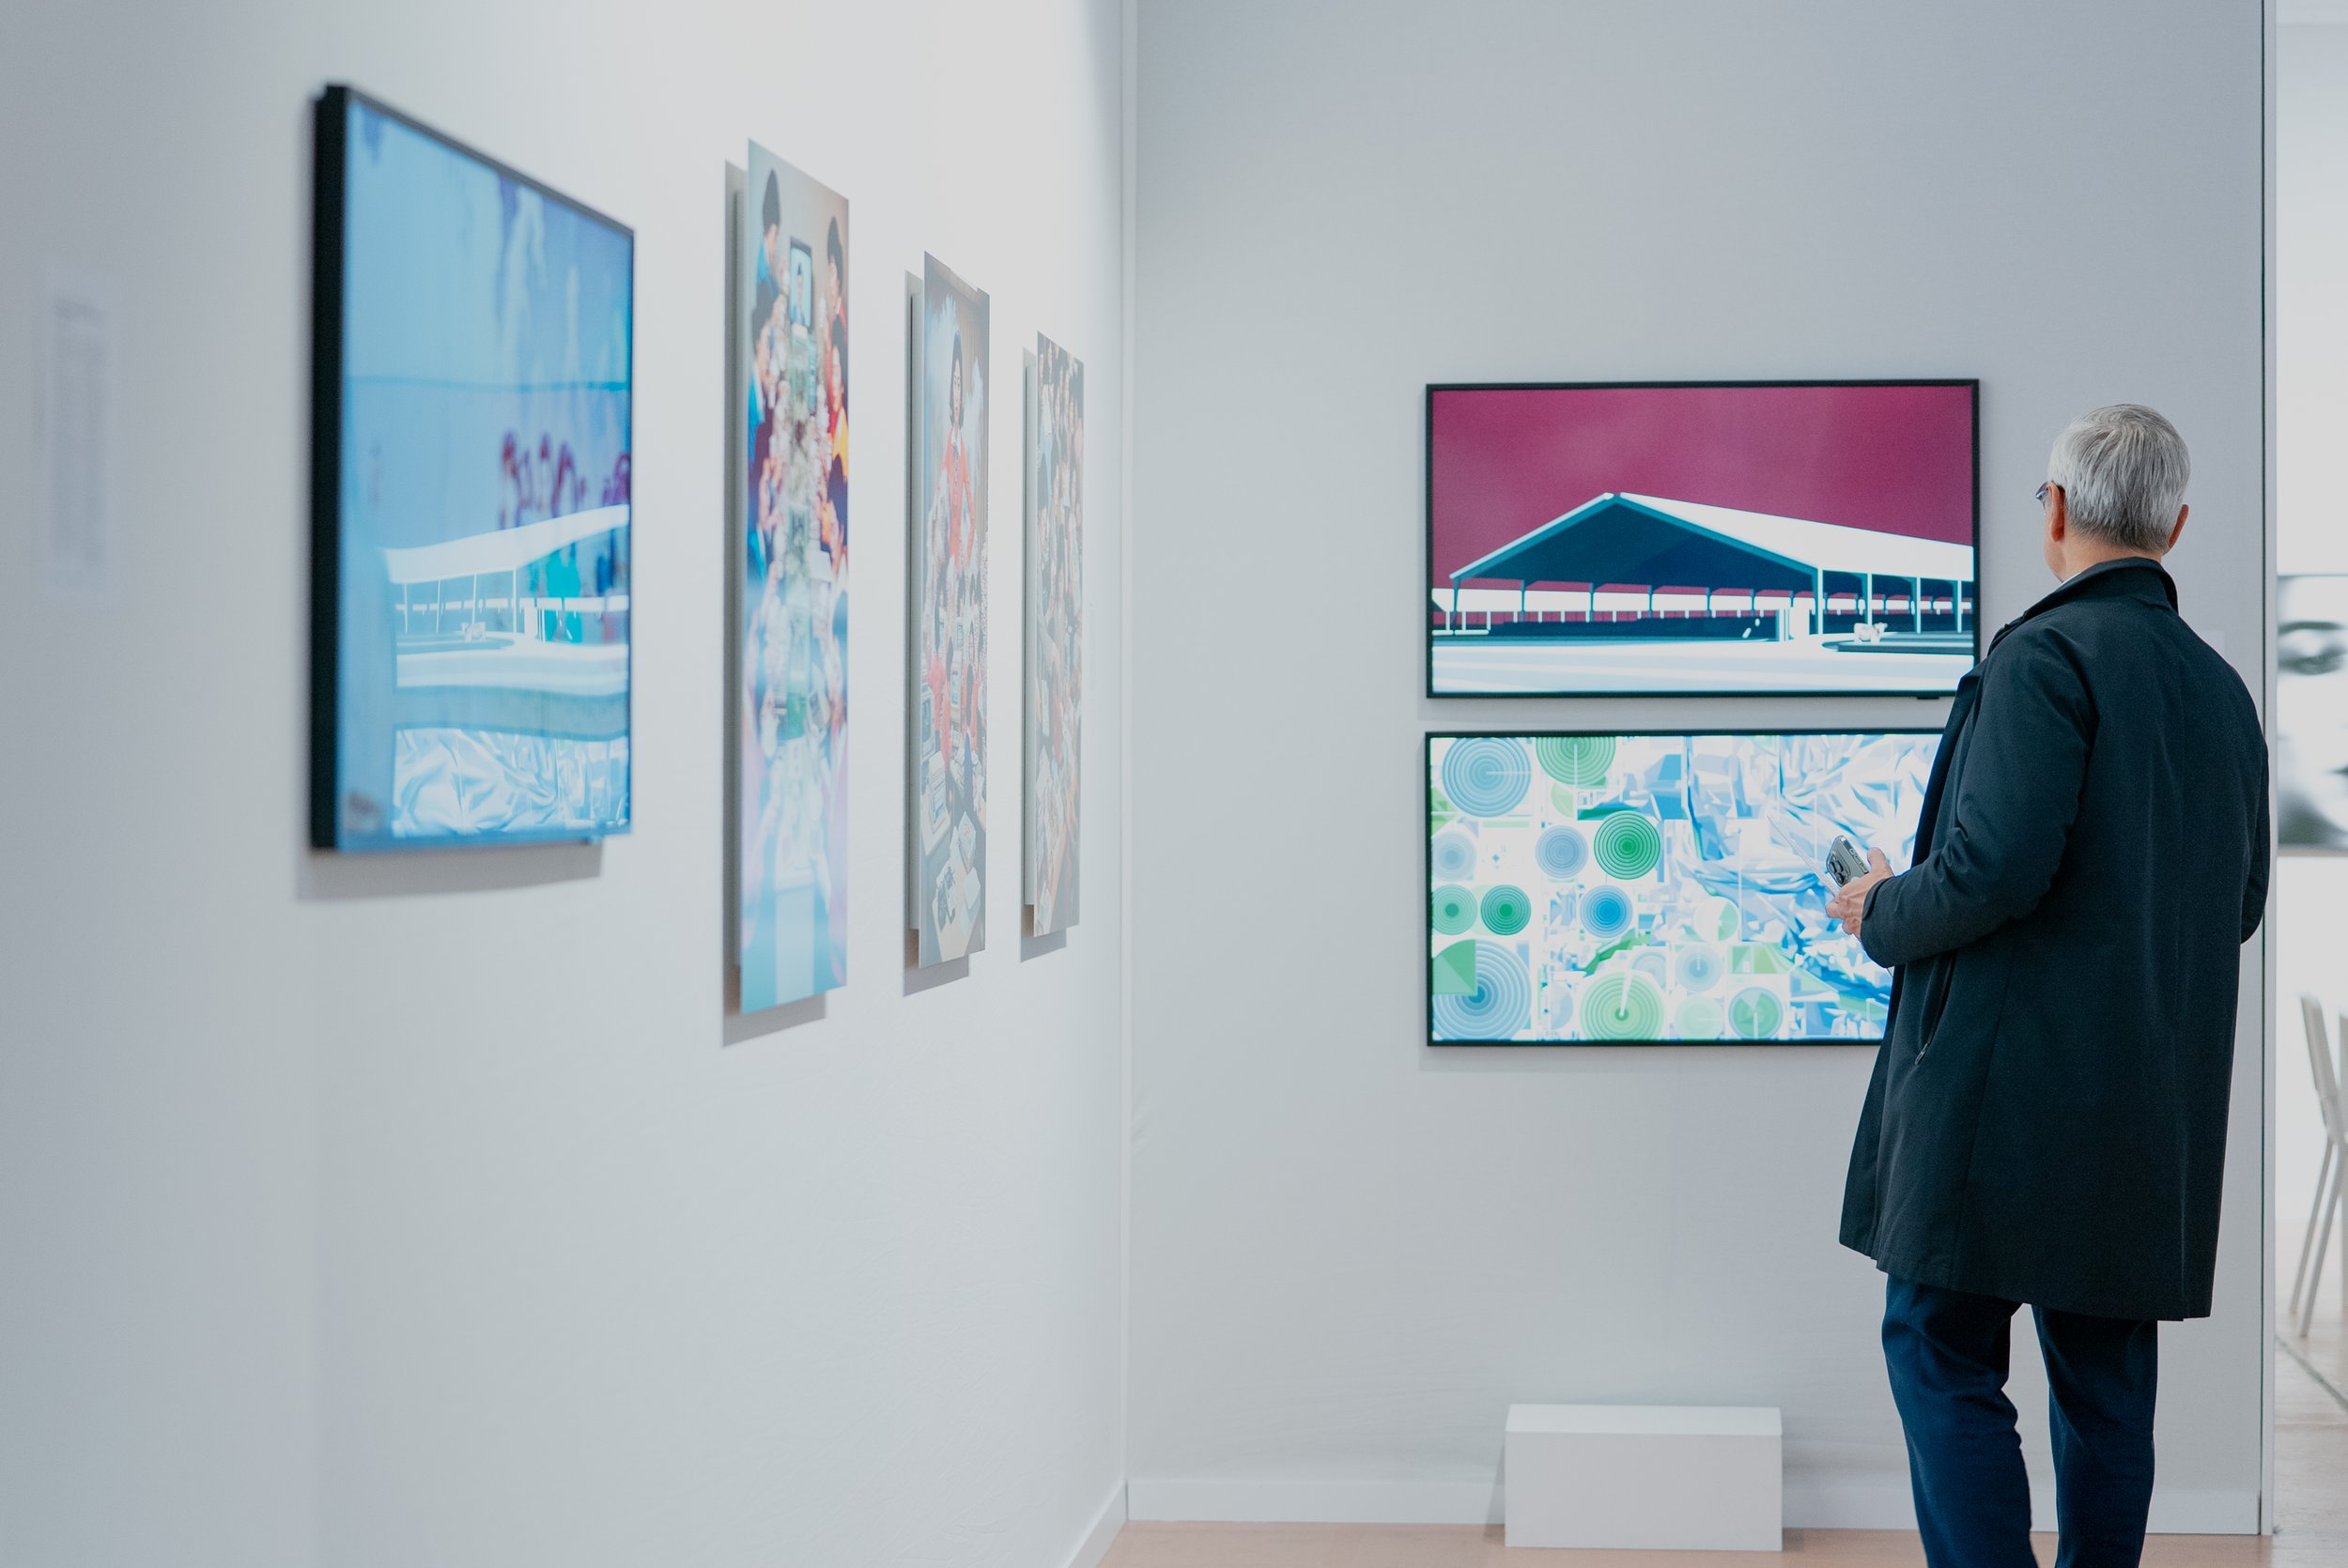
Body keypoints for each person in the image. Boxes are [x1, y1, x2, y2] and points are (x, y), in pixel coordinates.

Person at [1826, 405, 2268, 1568]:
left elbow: (1992, 870)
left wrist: (1881, 907)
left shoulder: (2042, 657)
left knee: (1936, 1340)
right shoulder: (2221, 692)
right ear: (2174, 525)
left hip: (2005, 1104)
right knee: (2106, 1383)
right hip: (2145, 1110)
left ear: (2057, 511)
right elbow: (2237, 904)